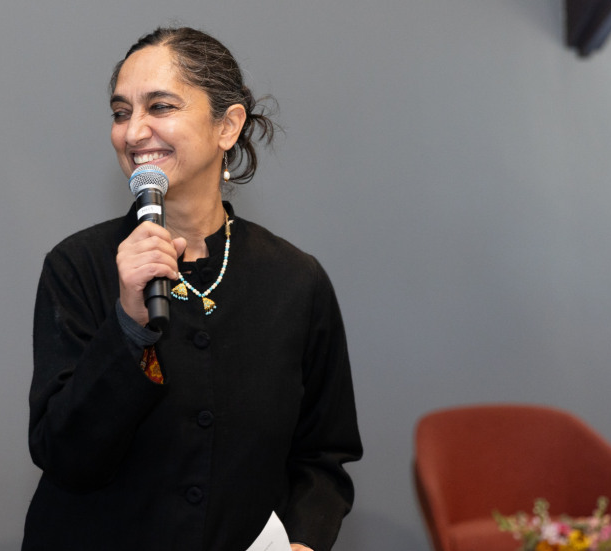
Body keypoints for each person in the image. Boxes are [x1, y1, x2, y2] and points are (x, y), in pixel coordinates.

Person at [22, 27, 362, 551]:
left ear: (227, 126)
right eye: (120, 112)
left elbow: (322, 454)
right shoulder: (79, 265)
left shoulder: (295, 279)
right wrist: (128, 326)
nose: (134, 132)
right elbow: (65, 454)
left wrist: (304, 540)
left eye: (159, 106)